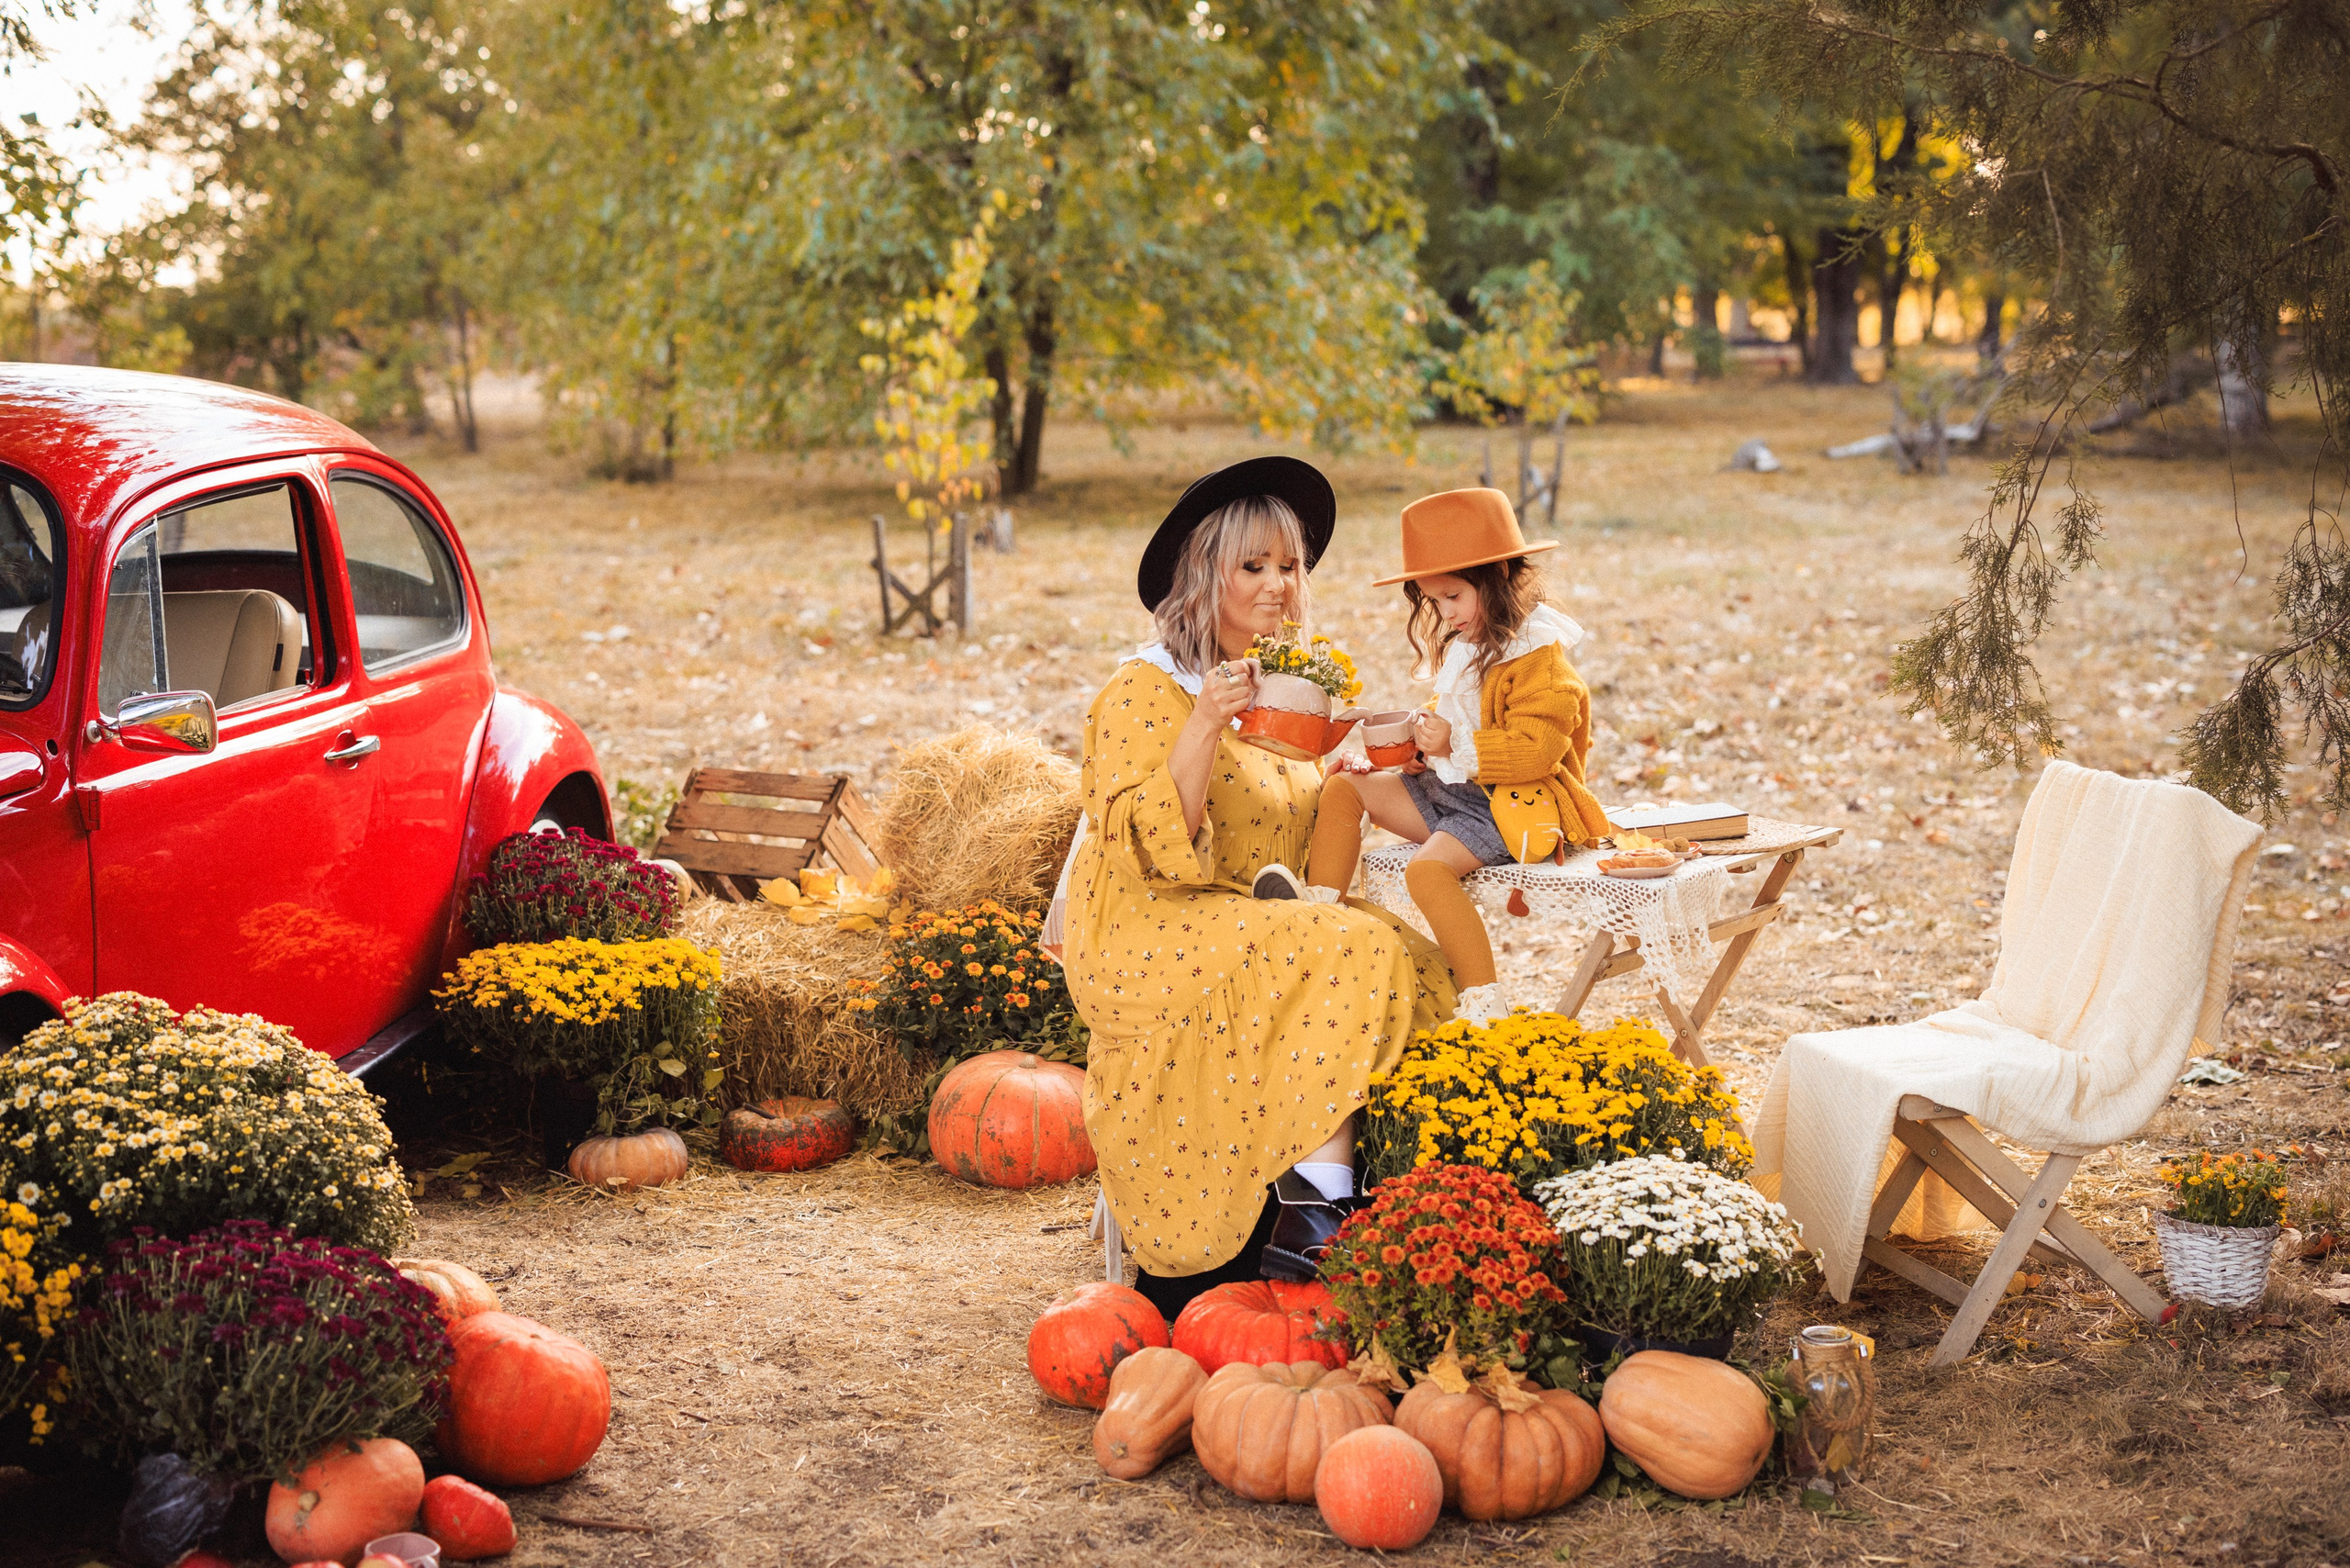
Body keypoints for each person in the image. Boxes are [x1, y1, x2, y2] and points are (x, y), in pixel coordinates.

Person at [1058, 456, 1455, 1318]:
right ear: (1206, 576)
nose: (1279, 585)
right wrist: (1205, 719)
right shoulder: (1145, 688)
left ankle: (1405, 1208)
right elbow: (1145, 847)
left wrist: (1361, 773)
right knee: (1348, 945)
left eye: (1290, 566)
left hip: (1256, 917)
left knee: (1415, 960)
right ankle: (1316, 1213)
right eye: (1254, 566)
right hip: (1148, 925)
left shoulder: (1291, 691)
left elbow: (1304, 827)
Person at [1252, 487, 1611, 1025]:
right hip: (1450, 792)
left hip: (1508, 807)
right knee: (1346, 787)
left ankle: (1484, 999)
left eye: (1452, 597)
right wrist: (1416, 747)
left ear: (1500, 577)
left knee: (1428, 871)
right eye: (1433, 601)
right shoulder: (1472, 642)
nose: (1445, 613)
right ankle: (1319, 910)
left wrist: (1454, 745)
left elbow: (1537, 751)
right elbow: (1457, 711)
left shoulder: (1541, 660)